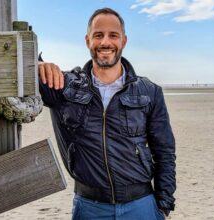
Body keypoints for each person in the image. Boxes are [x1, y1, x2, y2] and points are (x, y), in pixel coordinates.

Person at [38, 7, 176, 220]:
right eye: (98, 35)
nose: (105, 43)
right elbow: (20, 73)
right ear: (87, 41)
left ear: (124, 41)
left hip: (141, 205)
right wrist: (38, 65)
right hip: (89, 207)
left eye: (113, 35)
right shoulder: (63, 86)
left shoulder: (149, 92)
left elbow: (164, 151)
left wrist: (164, 206)